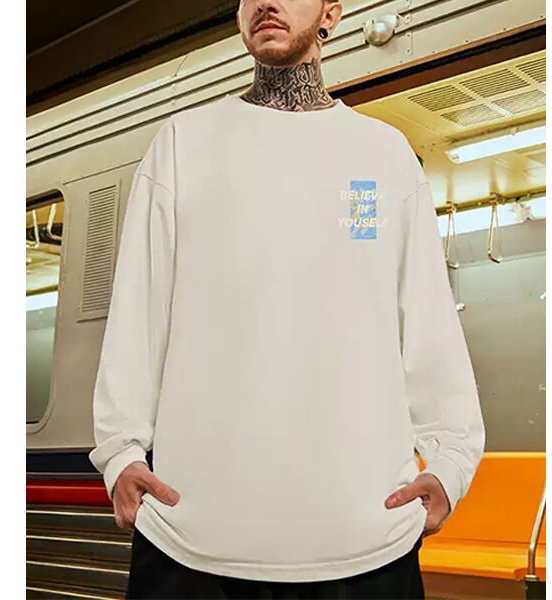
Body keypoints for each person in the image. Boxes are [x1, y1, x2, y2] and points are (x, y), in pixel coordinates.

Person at [88, 0, 486, 598]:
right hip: (191, 542)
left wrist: (451, 463)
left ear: (332, 13)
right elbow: (136, 317)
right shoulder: (181, 145)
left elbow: (428, 324)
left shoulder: (384, 156)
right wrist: (121, 455)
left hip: (366, 544)